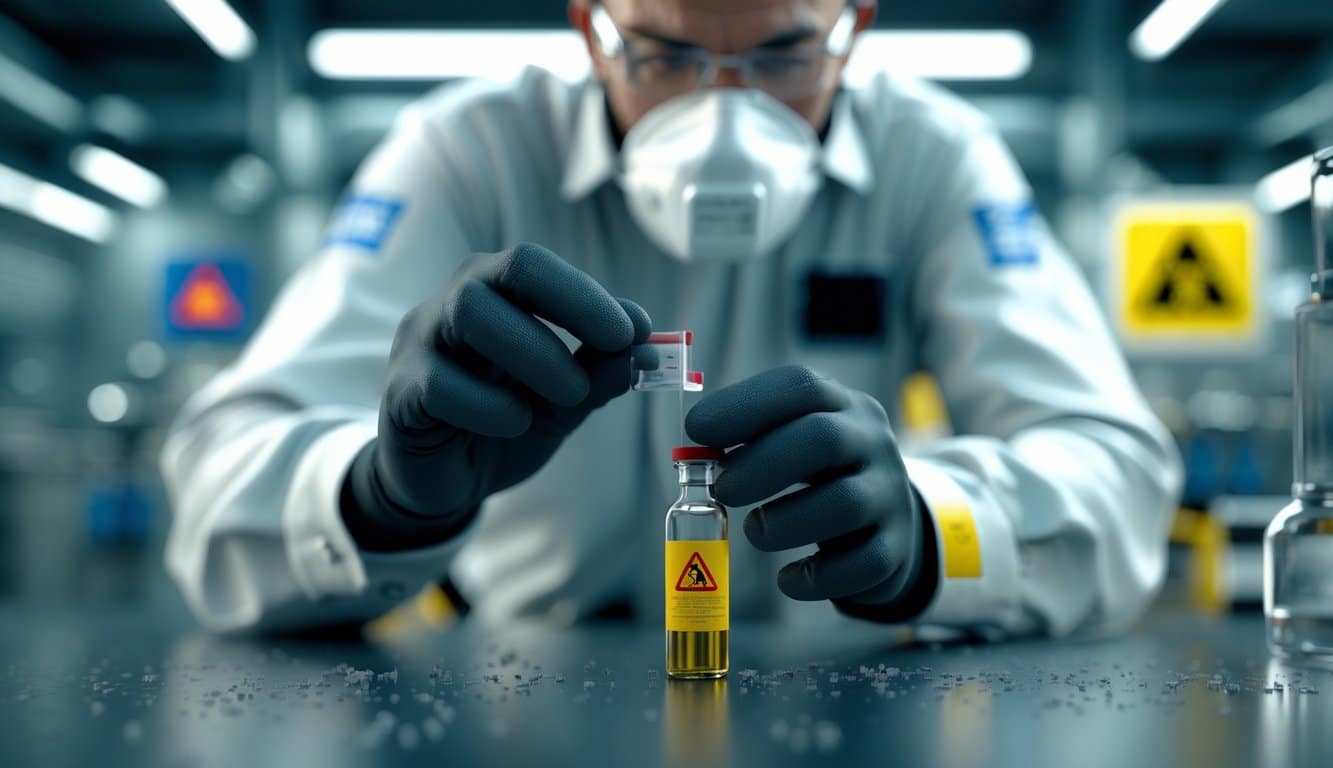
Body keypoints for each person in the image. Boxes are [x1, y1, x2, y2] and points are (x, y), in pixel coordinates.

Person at [161, 0, 1182, 637]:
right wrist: (379, 493)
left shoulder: (934, 157)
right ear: (588, 30)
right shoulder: (466, 151)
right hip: (523, 687)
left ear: (855, 28)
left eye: (786, 58)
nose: (726, 119)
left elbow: (1118, 469)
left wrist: (929, 526)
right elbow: (218, 473)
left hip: (832, 685)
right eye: (660, 58)